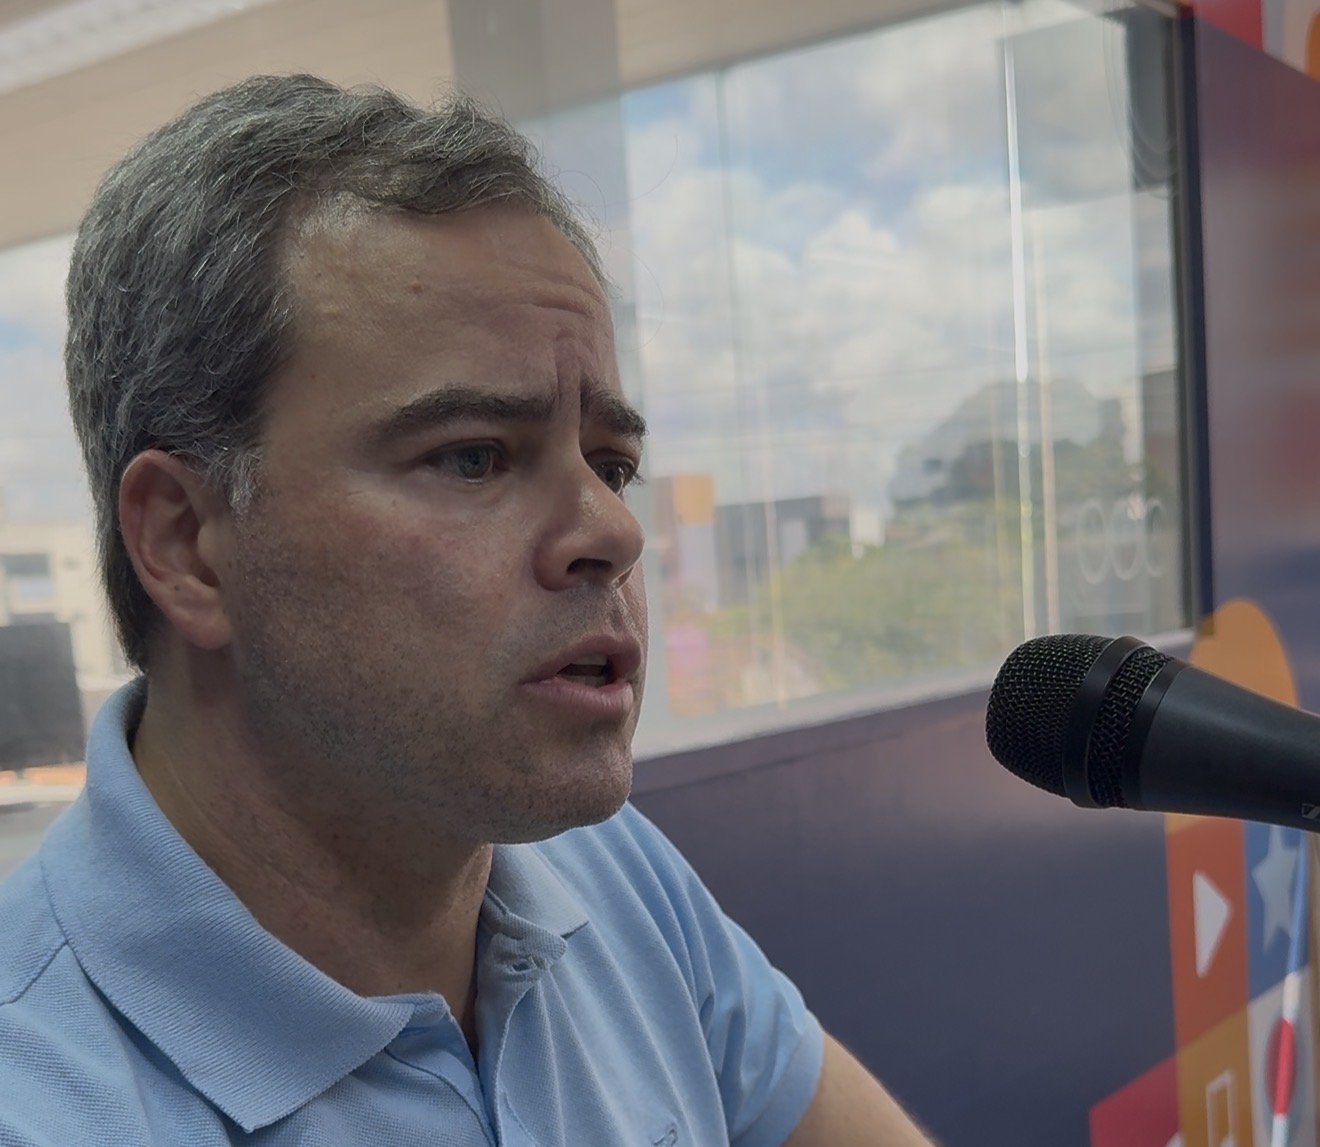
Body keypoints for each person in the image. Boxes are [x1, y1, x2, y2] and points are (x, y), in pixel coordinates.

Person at [0, 75, 936, 1146]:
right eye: (474, 457)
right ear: (185, 544)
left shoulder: (609, 876)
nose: (612, 531)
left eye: (611, 464)